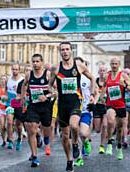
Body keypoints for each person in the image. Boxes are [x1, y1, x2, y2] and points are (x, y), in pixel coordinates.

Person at [49, 42, 96, 172]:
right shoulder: (56, 68)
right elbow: (50, 84)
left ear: (71, 51)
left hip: (76, 101)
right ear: (60, 52)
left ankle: (75, 143)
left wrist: (92, 94)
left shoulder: (79, 65)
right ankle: (69, 160)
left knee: (74, 125)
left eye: (67, 49)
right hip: (62, 104)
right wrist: (52, 91)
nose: (65, 52)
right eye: (62, 50)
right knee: (64, 136)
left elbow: (92, 78)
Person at [99, 57, 130, 160]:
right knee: (110, 120)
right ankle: (109, 143)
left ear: (119, 65)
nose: (114, 65)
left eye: (116, 64)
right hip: (110, 104)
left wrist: (126, 85)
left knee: (119, 129)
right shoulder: (107, 76)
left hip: (121, 105)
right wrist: (101, 97)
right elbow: (104, 87)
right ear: (110, 64)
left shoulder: (123, 76)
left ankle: (119, 148)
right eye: (112, 64)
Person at [21, 54, 53, 167]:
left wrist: (47, 96)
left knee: (47, 127)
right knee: (31, 128)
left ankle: (46, 139)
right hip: (33, 105)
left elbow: (56, 91)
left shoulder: (48, 74)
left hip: (45, 106)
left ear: (42, 62)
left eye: (37, 61)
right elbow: (24, 85)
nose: (35, 64)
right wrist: (23, 96)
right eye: (33, 61)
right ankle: (34, 156)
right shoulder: (29, 74)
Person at [5, 64, 23, 149]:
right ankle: (10, 140)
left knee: (18, 125)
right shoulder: (8, 80)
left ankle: (19, 138)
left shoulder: (22, 80)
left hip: (19, 104)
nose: (14, 71)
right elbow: (6, 91)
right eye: (13, 69)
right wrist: (5, 97)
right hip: (10, 104)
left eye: (16, 69)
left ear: (19, 70)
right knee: (9, 122)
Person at [93, 65, 108, 154]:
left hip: (106, 106)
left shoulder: (109, 82)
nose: (102, 72)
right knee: (98, 129)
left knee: (105, 126)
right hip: (97, 106)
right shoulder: (95, 81)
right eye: (101, 71)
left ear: (107, 72)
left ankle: (102, 145)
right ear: (98, 72)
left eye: (104, 71)